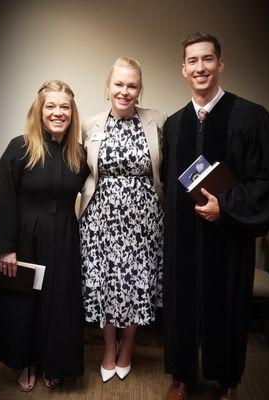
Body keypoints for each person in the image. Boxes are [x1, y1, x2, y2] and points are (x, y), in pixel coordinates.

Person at [162, 32, 269, 400]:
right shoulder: (175, 123)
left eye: (207, 59)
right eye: (193, 61)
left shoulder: (251, 116)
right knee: (181, 305)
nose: (200, 67)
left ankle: (228, 382)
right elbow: (170, 181)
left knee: (228, 305)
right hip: (184, 236)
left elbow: (268, 177)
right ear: (183, 69)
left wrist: (226, 206)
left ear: (220, 64)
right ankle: (182, 377)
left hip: (228, 239)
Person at [0, 80, 86, 391]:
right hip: (25, 239)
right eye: (51, 106)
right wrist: (5, 248)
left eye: (64, 106)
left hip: (66, 239)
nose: (58, 112)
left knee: (59, 305)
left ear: (72, 112)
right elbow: (5, 199)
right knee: (25, 305)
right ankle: (26, 362)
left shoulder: (78, 154)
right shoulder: (19, 148)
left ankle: (52, 362)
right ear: (39, 111)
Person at [79, 56, 166, 382]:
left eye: (132, 85)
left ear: (139, 89)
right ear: (108, 87)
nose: (125, 91)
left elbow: (169, 169)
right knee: (106, 287)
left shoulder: (158, 121)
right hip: (100, 225)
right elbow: (78, 169)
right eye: (119, 84)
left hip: (144, 225)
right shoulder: (90, 124)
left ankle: (127, 347)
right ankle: (108, 348)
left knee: (134, 288)